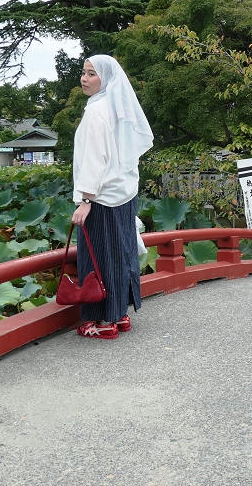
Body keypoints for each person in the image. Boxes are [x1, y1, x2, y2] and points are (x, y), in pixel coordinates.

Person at [71, 54, 154, 340]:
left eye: (92, 74)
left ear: (106, 78)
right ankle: (119, 315)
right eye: (84, 72)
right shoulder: (117, 108)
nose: (85, 78)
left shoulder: (97, 110)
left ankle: (101, 321)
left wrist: (86, 200)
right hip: (123, 194)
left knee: (96, 258)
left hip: (101, 199)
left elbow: (95, 158)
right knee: (120, 255)